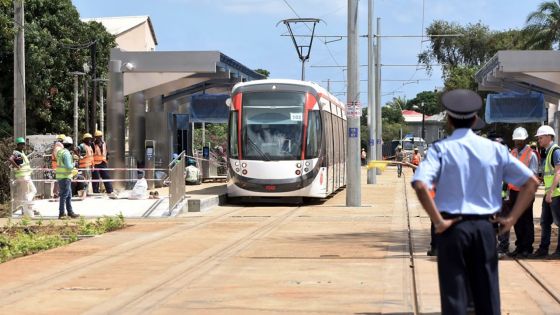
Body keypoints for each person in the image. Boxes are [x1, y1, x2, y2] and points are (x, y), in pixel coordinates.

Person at [412, 89, 538, 314]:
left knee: (454, 299)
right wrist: (511, 219)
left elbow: (420, 184)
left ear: (449, 120)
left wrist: (438, 221)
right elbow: (531, 183)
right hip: (484, 229)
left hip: (452, 230)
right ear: (475, 119)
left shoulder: (440, 150)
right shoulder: (496, 150)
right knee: (487, 296)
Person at [506, 127, 538, 258]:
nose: (517, 142)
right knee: (517, 220)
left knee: (526, 220)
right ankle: (519, 247)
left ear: (525, 140)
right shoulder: (512, 152)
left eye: (520, 140)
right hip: (514, 191)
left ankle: (527, 248)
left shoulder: (532, 154)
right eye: (516, 140)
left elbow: (533, 174)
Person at [532, 125, 560, 258]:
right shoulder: (548, 151)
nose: (539, 140)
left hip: (556, 194)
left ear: (549, 137)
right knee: (544, 222)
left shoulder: (555, 151)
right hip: (549, 194)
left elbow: (558, 172)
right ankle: (543, 249)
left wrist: (550, 192)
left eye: (541, 137)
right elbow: (549, 173)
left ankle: (558, 251)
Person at [9, 137, 38, 217]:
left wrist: (17, 166)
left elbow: (21, 163)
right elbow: (11, 159)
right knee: (33, 191)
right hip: (24, 176)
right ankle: (27, 206)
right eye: (21, 144)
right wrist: (17, 166)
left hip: (22, 176)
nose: (23, 146)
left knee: (26, 193)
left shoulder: (21, 153)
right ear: (17, 145)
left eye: (23, 144)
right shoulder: (17, 153)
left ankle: (26, 210)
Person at [56, 137, 79, 219]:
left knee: (68, 195)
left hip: (61, 176)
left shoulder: (60, 152)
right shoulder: (66, 153)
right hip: (65, 177)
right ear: (70, 145)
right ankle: (61, 213)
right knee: (64, 195)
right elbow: (68, 166)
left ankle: (70, 212)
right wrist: (74, 164)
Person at [92, 130, 114, 196]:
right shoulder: (92, 144)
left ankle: (110, 190)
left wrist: (107, 156)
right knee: (96, 178)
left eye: (100, 137)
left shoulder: (104, 143)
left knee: (106, 176)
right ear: (95, 137)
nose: (98, 138)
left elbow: (106, 151)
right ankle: (95, 191)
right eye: (97, 137)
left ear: (101, 137)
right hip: (95, 163)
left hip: (103, 162)